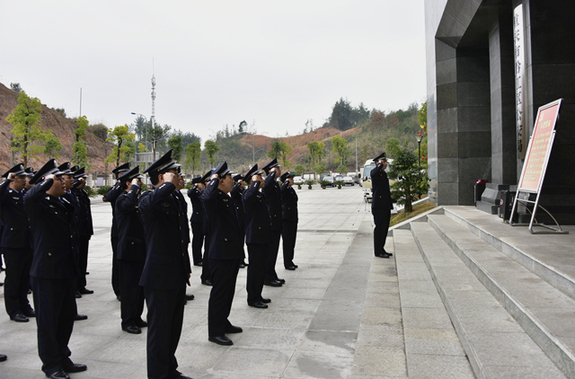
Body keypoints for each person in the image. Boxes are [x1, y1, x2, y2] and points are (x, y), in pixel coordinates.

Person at [25, 159, 87, 379]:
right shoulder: (39, 204)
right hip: (47, 272)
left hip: (65, 269)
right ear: (48, 180)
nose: (63, 182)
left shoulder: (62, 202)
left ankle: (63, 356)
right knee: (48, 322)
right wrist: (45, 181)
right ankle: (51, 365)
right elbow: (29, 197)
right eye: (59, 178)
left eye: (63, 178)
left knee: (64, 319)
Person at [139, 150, 192, 379]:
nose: (179, 176)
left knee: (173, 328)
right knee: (159, 331)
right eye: (174, 172)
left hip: (176, 272)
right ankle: (158, 375)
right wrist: (166, 186)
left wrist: (186, 267)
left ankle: (169, 369)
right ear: (161, 177)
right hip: (159, 276)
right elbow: (148, 205)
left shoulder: (177, 198)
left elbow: (182, 237)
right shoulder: (149, 198)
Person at [201, 162, 244, 346]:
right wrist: (212, 180)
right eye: (229, 178)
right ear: (219, 181)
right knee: (219, 292)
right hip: (220, 253)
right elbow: (205, 198)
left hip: (231, 251)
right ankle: (215, 331)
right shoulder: (213, 198)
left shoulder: (226, 197)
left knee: (228, 291)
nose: (233, 181)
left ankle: (223, 321)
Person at [0, 164, 35, 322]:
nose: (24, 180)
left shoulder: (24, 194)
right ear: (13, 179)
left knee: (24, 276)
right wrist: (5, 182)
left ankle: (24, 305)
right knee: (13, 278)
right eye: (21, 178)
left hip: (27, 240)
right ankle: (13, 309)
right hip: (12, 242)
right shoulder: (6, 195)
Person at [114, 167, 147, 334]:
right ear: (128, 182)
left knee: (139, 287)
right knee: (129, 289)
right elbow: (127, 205)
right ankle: (127, 320)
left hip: (140, 249)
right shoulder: (122, 199)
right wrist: (133, 188)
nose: (140, 183)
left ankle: (137, 316)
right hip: (128, 250)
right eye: (136, 181)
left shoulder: (137, 198)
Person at [242, 165, 272, 309]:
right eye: (259, 177)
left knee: (261, 268)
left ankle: (258, 294)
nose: (262, 179)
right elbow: (248, 198)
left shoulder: (259, 194)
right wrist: (254, 182)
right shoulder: (249, 194)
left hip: (262, 237)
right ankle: (252, 298)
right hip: (255, 238)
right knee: (255, 269)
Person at [106, 162, 131, 300]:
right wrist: (120, 183)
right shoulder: (117, 188)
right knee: (118, 262)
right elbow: (109, 196)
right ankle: (119, 289)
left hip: (129, 230)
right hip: (118, 230)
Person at [70, 167, 94, 296]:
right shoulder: (71, 194)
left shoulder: (83, 194)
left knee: (83, 260)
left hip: (84, 231)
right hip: (76, 232)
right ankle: (75, 287)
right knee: (76, 260)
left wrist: (89, 230)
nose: (84, 182)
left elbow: (87, 215)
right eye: (81, 179)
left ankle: (81, 284)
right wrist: (74, 185)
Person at [261, 158, 285, 287]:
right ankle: (268, 276)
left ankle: (271, 273)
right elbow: (268, 181)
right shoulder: (268, 182)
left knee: (274, 251)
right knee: (270, 252)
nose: (280, 170)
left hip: (276, 221)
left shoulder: (275, 183)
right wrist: (271, 173)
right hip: (271, 222)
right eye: (277, 169)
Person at [370, 152, 394, 258]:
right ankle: (377, 251)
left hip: (385, 206)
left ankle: (382, 248)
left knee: (384, 229)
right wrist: (379, 164)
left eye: (385, 162)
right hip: (378, 206)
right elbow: (374, 173)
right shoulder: (375, 172)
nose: (385, 164)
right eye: (383, 162)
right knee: (379, 228)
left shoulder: (383, 174)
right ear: (378, 163)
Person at [187, 171, 210, 268]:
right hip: (197, 220)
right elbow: (190, 192)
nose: (203, 184)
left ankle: (202, 258)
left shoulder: (203, 192)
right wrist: (195, 186)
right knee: (197, 241)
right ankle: (197, 258)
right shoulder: (194, 193)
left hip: (203, 219)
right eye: (201, 183)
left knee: (204, 240)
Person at [280, 172, 299, 270]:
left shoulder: (291, 189)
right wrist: (286, 183)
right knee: (287, 242)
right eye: (291, 179)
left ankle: (290, 260)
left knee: (292, 241)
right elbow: (280, 191)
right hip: (286, 219)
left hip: (292, 218)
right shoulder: (284, 189)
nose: (293, 180)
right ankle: (287, 263)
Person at [230, 173, 248, 268]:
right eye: (241, 181)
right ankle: (239, 260)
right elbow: (233, 192)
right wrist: (237, 184)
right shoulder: (236, 190)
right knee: (239, 240)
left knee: (242, 239)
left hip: (243, 217)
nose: (243, 182)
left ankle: (242, 259)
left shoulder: (243, 190)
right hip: (238, 218)